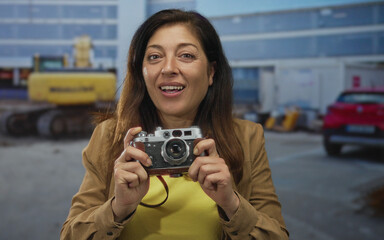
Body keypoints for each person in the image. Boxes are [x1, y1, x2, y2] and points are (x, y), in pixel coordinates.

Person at [61, 9, 289, 240]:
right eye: (154, 57)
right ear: (142, 72)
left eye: (186, 55)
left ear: (211, 72)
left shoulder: (247, 137)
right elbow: (70, 235)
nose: (168, 68)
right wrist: (118, 208)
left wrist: (231, 203)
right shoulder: (111, 136)